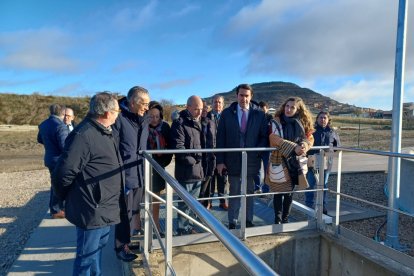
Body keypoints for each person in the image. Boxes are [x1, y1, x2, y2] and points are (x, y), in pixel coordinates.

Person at [52, 92, 128, 275]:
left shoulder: (102, 131)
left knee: (96, 251)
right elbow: (63, 173)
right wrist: (67, 198)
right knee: (86, 257)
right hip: (92, 207)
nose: (119, 114)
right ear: (107, 113)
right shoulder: (84, 135)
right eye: (118, 110)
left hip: (103, 206)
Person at [216, 84, 268, 229]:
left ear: (251, 97)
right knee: (234, 190)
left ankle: (248, 220)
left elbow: (264, 136)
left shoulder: (259, 114)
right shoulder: (227, 113)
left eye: (247, 95)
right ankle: (232, 221)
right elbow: (220, 138)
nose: (244, 98)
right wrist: (220, 161)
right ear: (236, 96)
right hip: (232, 160)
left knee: (249, 192)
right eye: (241, 95)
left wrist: (257, 151)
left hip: (251, 160)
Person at [112, 86, 150, 249]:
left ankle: (127, 241)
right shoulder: (119, 119)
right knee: (123, 214)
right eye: (145, 104)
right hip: (125, 176)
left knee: (134, 210)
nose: (147, 107)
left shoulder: (143, 119)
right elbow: (112, 149)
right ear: (133, 103)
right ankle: (121, 247)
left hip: (140, 173)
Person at [265, 97, 314, 224]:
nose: (288, 109)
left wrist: (304, 145)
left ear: (298, 109)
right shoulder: (276, 121)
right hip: (279, 159)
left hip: (295, 162)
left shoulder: (302, 123)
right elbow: (273, 138)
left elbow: (309, 138)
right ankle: (277, 219)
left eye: (292, 107)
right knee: (278, 191)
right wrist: (294, 147)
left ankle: (285, 219)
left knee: (289, 193)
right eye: (287, 106)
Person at [170, 95, 205, 235]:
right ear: (188, 107)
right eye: (196, 109)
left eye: (201, 109)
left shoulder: (201, 121)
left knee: (194, 204)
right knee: (184, 204)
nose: (199, 112)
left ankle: (190, 227)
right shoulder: (179, 123)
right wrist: (194, 161)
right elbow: (178, 147)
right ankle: (182, 230)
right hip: (186, 171)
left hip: (199, 171)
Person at [305, 111, 341, 214]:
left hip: (326, 163)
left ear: (328, 119)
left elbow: (337, 147)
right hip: (312, 161)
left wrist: (328, 154)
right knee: (310, 184)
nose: (323, 119)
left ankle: (322, 206)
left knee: (323, 185)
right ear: (317, 119)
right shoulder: (311, 131)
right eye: (321, 117)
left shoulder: (332, 132)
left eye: (325, 118)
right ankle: (309, 205)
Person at [37, 103, 69, 219]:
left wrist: (50, 145)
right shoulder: (60, 126)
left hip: (49, 157)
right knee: (59, 185)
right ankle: (56, 210)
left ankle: (57, 208)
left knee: (55, 184)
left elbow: (39, 139)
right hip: (58, 160)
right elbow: (64, 145)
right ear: (62, 113)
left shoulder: (43, 124)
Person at [147, 101, 173, 237]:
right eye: (151, 116)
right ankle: (141, 225)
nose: (154, 119)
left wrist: (163, 162)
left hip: (158, 168)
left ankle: (155, 224)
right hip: (143, 168)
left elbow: (170, 147)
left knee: (156, 197)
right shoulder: (142, 127)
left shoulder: (165, 127)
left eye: (157, 116)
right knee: (143, 198)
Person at [206, 94, 228, 210]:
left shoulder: (227, 117)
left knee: (222, 179)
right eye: (215, 102)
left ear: (222, 104)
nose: (217, 104)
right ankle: (208, 201)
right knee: (210, 179)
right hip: (210, 154)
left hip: (223, 153)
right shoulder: (206, 117)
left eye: (219, 102)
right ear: (212, 103)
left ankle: (222, 201)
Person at [200, 100, 216, 209]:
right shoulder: (195, 122)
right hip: (198, 161)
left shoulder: (211, 123)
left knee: (207, 186)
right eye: (203, 107)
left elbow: (214, 140)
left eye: (206, 108)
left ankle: (206, 205)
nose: (205, 110)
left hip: (209, 159)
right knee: (199, 189)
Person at [255, 101, 273, 193]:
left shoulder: (271, 119)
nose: (262, 109)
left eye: (263, 107)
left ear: (267, 108)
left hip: (267, 148)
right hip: (257, 147)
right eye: (260, 108)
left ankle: (266, 189)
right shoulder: (255, 118)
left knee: (267, 170)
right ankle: (257, 188)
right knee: (256, 169)